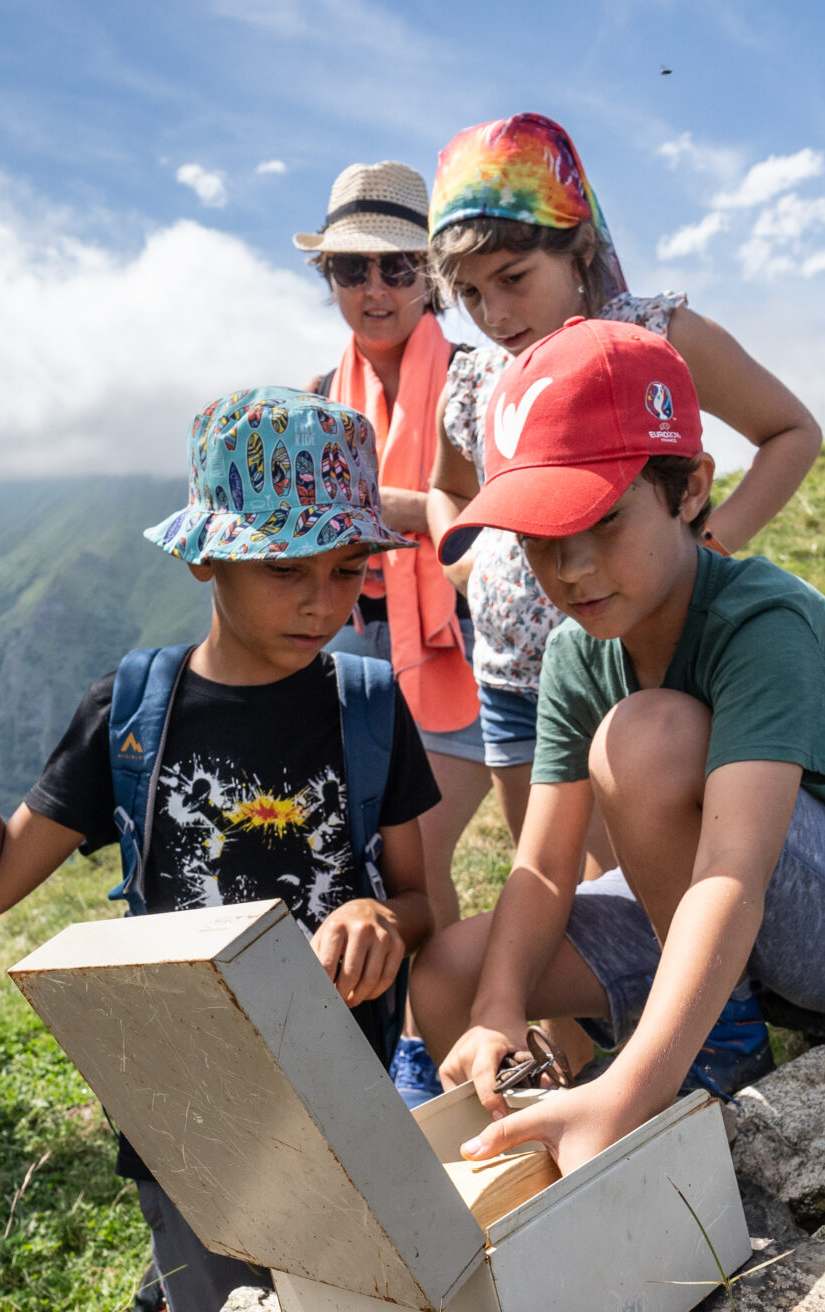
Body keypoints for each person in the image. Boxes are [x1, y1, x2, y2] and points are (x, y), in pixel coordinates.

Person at [0, 389, 441, 1312]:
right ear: (204, 557)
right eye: (284, 567)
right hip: (189, 1120)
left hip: (349, 1096)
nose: (321, 601)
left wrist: (386, 917)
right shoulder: (134, 712)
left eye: (346, 571)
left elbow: (425, 900)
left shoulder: (368, 704)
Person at [409, 319, 825, 1176]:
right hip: (702, 904)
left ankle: (711, 1058)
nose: (573, 567)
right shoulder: (573, 650)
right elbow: (545, 867)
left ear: (691, 488)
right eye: (540, 535)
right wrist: (499, 1004)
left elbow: (734, 870)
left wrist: (634, 1088)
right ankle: (525, 1143)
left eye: (603, 520)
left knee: (648, 737)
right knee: (448, 972)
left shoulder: (764, 623)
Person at [416, 112, 824, 1094]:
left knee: (647, 846)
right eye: (469, 294)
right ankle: (586, 1062)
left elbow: (789, 429)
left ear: (580, 246)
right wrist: (460, 560)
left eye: (515, 280)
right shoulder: (474, 380)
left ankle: (703, 1043)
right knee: (563, 876)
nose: (495, 312)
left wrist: (707, 546)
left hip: (649, 659)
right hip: (526, 673)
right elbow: (445, 486)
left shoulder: (656, 337)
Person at [295, 162, 491, 936]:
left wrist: (392, 508)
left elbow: (499, 522)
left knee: (411, 848)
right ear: (329, 275)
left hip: (463, 636)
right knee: (387, 858)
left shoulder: (477, 378)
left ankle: (438, 1033)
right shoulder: (315, 396)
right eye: (350, 268)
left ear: (430, 274)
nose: (373, 290)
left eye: (397, 266)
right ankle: (421, 1034)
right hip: (354, 643)